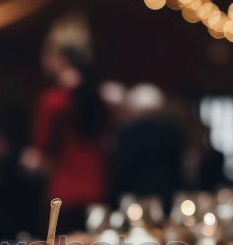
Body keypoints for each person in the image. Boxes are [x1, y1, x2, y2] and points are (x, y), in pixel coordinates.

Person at [33, 46, 107, 233]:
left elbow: (43, 142)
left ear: (61, 59)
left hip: (65, 186)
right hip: (97, 183)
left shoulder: (55, 99)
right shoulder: (95, 93)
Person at [108, 83, 184, 206]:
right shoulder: (174, 130)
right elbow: (178, 166)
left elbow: (120, 166)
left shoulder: (128, 131)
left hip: (133, 194)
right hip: (166, 193)